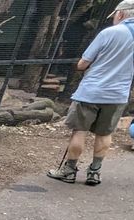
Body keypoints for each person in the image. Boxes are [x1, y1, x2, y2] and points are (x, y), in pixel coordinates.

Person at [47, 0, 134, 186]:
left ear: (120, 14)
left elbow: (83, 63)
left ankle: (69, 170)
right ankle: (94, 172)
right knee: (104, 134)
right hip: (118, 94)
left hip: (92, 91)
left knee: (80, 130)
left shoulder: (109, 33)